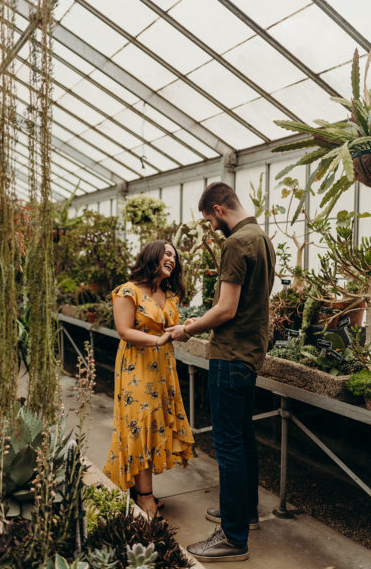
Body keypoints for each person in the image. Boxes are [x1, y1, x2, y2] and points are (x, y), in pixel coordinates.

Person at [167, 182, 275, 563]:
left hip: (229, 357)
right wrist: (205, 317)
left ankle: (232, 537)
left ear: (217, 208)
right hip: (249, 353)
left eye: (210, 221)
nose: (211, 229)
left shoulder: (235, 243)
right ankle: (244, 514)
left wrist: (188, 328)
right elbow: (242, 304)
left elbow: (227, 309)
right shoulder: (260, 237)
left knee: (228, 446)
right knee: (243, 438)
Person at [104, 240, 194, 518]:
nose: (172, 259)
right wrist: (158, 340)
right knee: (140, 426)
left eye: (175, 257)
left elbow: (170, 330)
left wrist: (186, 329)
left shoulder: (167, 294)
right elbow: (124, 331)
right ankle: (143, 496)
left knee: (155, 425)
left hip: (163, 370)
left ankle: (143, 490)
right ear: (152, 255)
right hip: (137, 369)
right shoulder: (127, 291)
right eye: (167, 253)